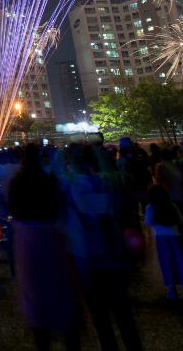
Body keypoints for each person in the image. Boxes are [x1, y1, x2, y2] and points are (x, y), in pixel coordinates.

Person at [56, 143, 143, 351]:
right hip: (114, 255)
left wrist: (60, 154)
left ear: (71, 162)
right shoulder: (107, 182)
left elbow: (52, 171)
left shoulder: (70, 186)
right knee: (124, 314)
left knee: (101, 317)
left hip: (88, 260)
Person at [9, 144, 81, 351]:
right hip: (53, 236)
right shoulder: (50, 180)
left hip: (27, 240)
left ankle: (42, 340)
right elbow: (59, 206)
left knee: (34, 294)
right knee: (62, 289)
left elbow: (13, 208)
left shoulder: (17, 181)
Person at [145, 184, 183, 301]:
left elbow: (148, 222)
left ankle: (171, 291)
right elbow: (181, 220)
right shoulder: (172, 206)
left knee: (166, 263)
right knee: (180, 263)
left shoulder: (150, 207)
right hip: (175, 237)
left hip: (161, 238)